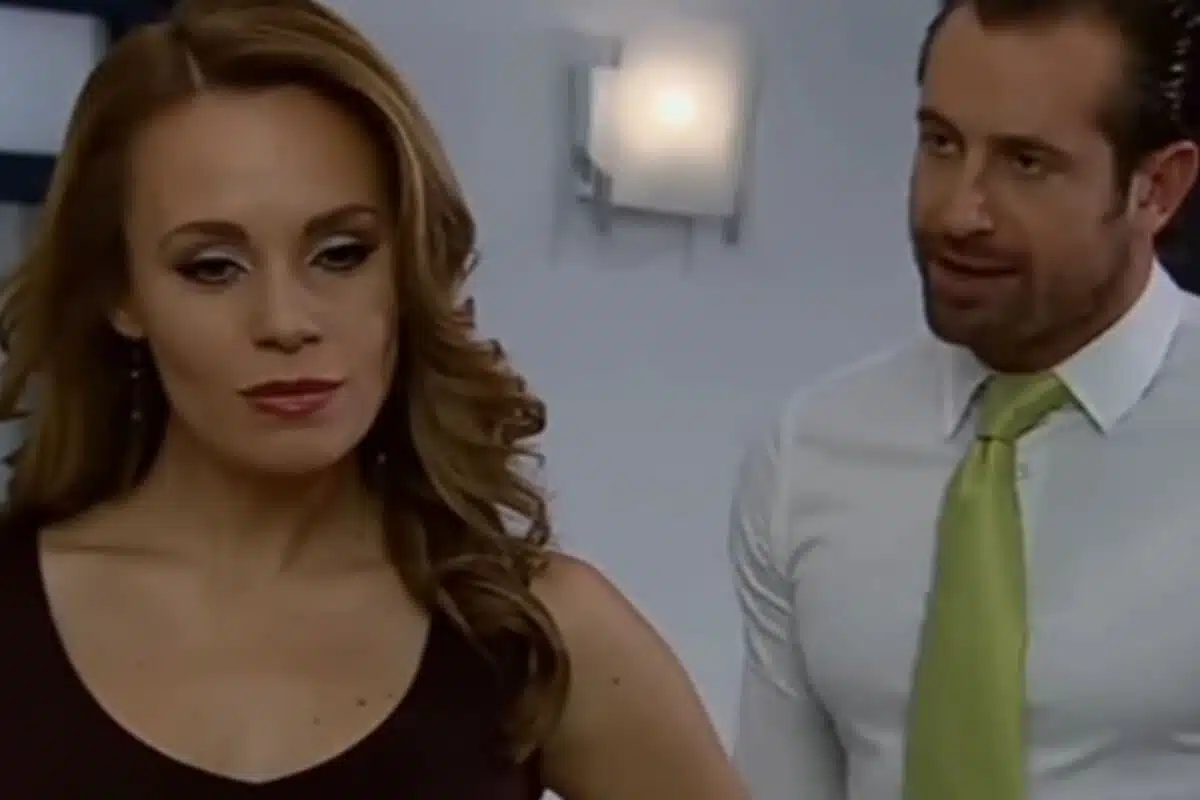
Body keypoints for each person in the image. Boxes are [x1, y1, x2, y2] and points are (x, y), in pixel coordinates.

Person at [0, 0, 747, 796]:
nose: (286, 322)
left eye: (341, 253)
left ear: (409, 266)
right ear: (121, 293)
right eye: (212, 267)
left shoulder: (535, 628)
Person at [729, 0, 1200, 797]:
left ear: (1157, 187)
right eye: (941, 143)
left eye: (1026, 163)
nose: (957, 212)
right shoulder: (811, 451)